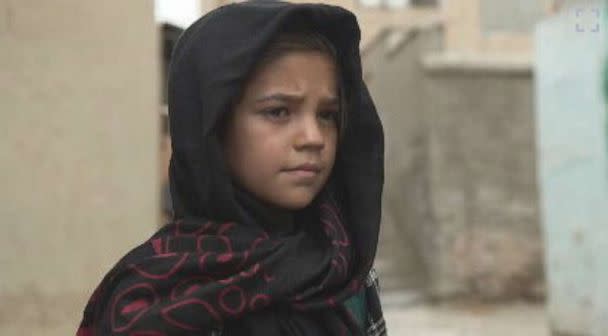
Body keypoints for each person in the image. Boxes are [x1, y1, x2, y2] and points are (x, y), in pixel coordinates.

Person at [76, 1, 385, 335]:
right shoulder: (147, 297)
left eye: (327, 115)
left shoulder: (343, 272)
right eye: (278, 112)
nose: (313, 138)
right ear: (213, 126)